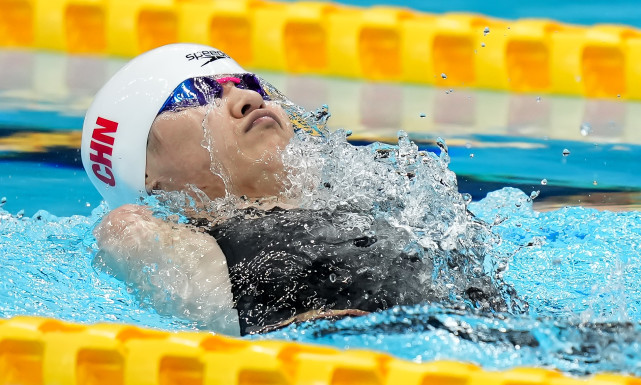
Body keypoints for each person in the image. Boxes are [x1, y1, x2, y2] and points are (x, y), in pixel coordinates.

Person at [82, 42, 511, 336]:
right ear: (146, 177)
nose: (246, 99)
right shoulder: (138, 229)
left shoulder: (368, 193)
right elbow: (216, 325)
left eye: (247, 83)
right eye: (195, 94)